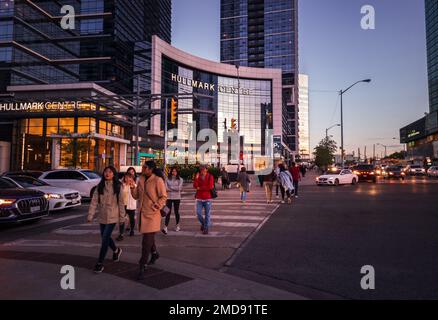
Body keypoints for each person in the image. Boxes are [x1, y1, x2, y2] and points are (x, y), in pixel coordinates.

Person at [129, 161, 167, 280]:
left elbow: (163, 196)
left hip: (152, 214)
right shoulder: (140, 179)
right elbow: (136, 196)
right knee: (148, 238)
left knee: (146, 242)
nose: (142, 169)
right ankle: (155, 254)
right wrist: (132, 186)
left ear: (150, 169)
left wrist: (157, 205)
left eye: (144, 167)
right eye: (142, 167)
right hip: (142, 213)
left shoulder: (158, 180)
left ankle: (142, 265)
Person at [87, 166, 126, 274]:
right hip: (102, 216)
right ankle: (116, 250)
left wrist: (122, 218)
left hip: (113, 217)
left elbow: (121, 203)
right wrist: (90, 215)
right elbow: (94, 201)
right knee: (106, 237)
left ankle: (100, 263)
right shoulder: (100, 186)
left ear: (114, 174)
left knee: (104, 239)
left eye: (110, 172)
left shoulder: (118, 186)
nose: (107, 173)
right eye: (105, 171)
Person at [193, 165, 214, 235]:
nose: (202, 171)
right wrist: (196, 178)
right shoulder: (197, 176)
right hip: (199, 198)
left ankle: (206, 228)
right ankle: (204, 224)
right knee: (198, 214)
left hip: (208, 198)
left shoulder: (210, 176)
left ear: (206, 170)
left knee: (207, 214)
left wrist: (200, 188)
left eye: (203, 169)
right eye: (201, 169)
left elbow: (210, 187)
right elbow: (195, 186)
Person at [162, 167, 183, 234]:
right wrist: (174, 188)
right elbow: (165, 188)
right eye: (172, 171)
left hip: (177, 198)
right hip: (168, 198)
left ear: (177, 172)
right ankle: (165, 227)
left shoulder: (180, 179)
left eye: (175, 171)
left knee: (176, 212)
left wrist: (170, 188)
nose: (174, 172)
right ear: (170, 172)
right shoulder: (167, 179)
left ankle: (177, 225)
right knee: (167, 212)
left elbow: (179, 188)